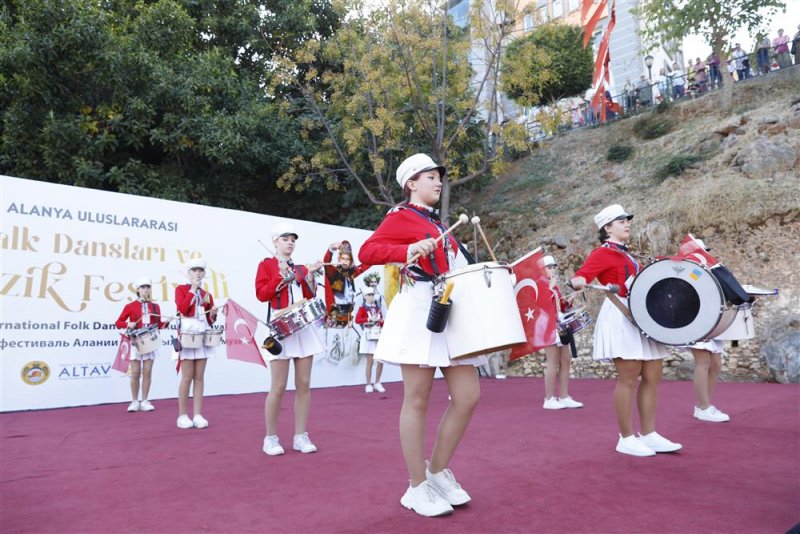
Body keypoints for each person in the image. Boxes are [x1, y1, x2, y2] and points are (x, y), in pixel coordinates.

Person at [359, 153, 482, 517]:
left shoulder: (436, 223)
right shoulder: (400, 217)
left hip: (449, 309)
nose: (438, 181)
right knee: (417, 398)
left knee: (468, 395)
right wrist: (406, 249)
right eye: (430, 176)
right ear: (411, 183)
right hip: (417, 310)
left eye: (438, 176)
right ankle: (416, 486)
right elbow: (368, 252)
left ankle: (437, 470)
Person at [571, 204, 682, 457]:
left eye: (627, 219)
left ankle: (649, 433)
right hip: (622, 317)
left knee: (653, 376)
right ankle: (626, 437)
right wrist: (579, 281)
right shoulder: (602, 253)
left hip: (642, 317)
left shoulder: (627, 254)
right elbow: (583, 274)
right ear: (607, 228)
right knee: (628, 378)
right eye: (620, 220)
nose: (627, 223)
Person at [255, 222, 324, 456]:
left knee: (304, 384)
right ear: (275, 241)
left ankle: (300, 436)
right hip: (280, 327)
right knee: (278, 386)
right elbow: (262, 294)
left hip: (302, 327)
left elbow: (309, 295)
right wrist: (281, 279)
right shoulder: (266, 265)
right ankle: (270, 438)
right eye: (285, 238)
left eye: (293, 239)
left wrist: (311, 276)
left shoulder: (300, 267)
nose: (290, 242)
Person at [684, 239, 730, 423]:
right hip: (696, 317)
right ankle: (702, 407)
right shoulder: (692, 266)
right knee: (703, 361)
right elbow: (693, 284)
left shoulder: (708, 265)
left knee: (716, 363)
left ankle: (706, 405)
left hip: (712, 317)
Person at [175, 259, 217, 429]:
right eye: (194, 270)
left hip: (202, 334)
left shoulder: (207, 294)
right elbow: (183, 309)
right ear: (188, 273)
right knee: (187, 377)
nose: (198, 273)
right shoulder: (181, 289)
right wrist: (192, 290)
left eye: (201, 270)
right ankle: (182, 415)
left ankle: (198, 414)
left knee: (199, 377)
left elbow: (209, 319)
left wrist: (213, 314)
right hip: (187, 334)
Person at [115, 277, 168, 412]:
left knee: (148, 371)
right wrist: (128, 324)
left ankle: (145, 400)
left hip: (150, 341)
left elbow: (159, 325)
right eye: (143, 287)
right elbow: (118, 322)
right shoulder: (130, 306)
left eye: (147, 287)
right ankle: (134, 401)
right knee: (136, 372)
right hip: (136, 342)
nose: (146, 289)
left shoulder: (155, 306)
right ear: (137, 290)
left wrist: (166, 323)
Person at [542, 256, 583, 410]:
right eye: (549, 267)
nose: (552, 270)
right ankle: (549, 398)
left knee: (565, 360)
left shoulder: (555, 287)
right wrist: (550, 288)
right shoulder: (541, 286)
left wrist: (570, 299)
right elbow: (542, 306)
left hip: (561, 325)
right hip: (548, 327)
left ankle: (564, 396)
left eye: (554, 267)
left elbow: (561, 307)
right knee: (553, 361)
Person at [324, 241, 370, 326]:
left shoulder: (351, 273)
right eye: (343, 258)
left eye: (347, 259)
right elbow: (326, 263)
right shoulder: (333, 272)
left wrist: (375, 258)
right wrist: (330, 250)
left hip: (348, 315)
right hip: (335, 314)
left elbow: (363, 267)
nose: (345, 261)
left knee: (347, 338)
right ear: (339, 259)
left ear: (351, 261)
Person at [354, 287, 385, 393]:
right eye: (369, 295)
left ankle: (377, 382)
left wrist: (380, 321)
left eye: (372, 295)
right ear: (365, 296)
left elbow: (382, 321)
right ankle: (368, 383)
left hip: (378, 335)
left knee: (380, 360)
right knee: (370, 361)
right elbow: (357, 320)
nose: (371, 297)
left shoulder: (377, 308)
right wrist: (368, 319)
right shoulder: (362, 308)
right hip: (368, 336)